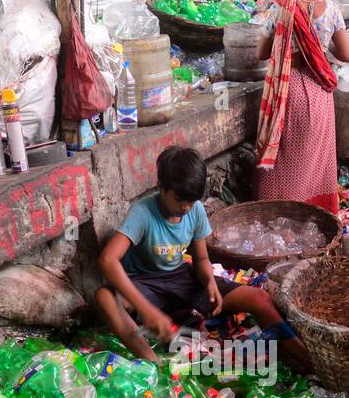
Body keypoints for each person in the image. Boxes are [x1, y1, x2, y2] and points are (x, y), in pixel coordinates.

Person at [93, 146, 312, 371]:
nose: (186, 207)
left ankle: (305, 358)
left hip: (182, 280)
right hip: (145, 284)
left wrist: (208, 282)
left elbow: (200, 260)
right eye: (179, 200)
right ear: (160, 188)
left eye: (192, 201)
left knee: (259, 298)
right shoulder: (143, 213)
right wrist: (147, 310)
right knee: (104, 297)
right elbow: (107, 260)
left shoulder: (194, 210)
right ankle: (155, 366)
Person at [254, 0, 349, 212]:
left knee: (285, 158)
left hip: (287, 90)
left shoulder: (281, 9)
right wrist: (320, 51)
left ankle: (279, 210)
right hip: (318, 90)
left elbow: (260, 53)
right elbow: (346, 54)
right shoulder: (331, 10)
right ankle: (316, 213)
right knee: (315, 157)